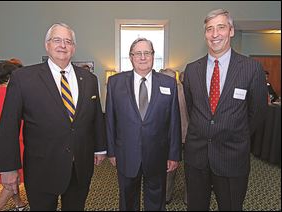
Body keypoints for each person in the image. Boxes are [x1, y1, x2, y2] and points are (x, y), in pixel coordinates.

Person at [0, 23, 106, 211]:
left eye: (68, 41)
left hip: (80, 166)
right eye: (57, 40)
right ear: (47, 45)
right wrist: (8, 167)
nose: (62, 45)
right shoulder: (23, 78)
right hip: (41, 168)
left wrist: (100, 148)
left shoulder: (88, 79)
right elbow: (8, 126)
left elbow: (95, 116)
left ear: (74, 48)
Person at [183, 9, 268, 211]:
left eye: (221, 27)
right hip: (197, 158)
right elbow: (191, 107)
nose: (215, 34)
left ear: (231, 31)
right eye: (209, 29)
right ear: (204, 34)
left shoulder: (251, 68)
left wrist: (238, 133)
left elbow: (258, 112)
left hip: (232, 156)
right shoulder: (192, 69)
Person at [106, 38, 182, 211]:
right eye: (138, 53)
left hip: (158, 155)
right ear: (131, 57)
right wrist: (111, 151)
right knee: (127, 200)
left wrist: (174, 154)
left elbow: (174, 122)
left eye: (147, 53)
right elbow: (110, 120)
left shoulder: (168, 83)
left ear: (153, 56)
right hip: (126, 154)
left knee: (156, 202)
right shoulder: (115, 83)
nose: (142, 57)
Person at [0, 62, 27, 211]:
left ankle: (19, 203)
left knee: (8, 176)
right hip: (18, 141)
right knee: (12, 179)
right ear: (11, 77)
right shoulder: (15, 94)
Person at [159, 69, 189, 205]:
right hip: (188, 135)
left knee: (169, 168)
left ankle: (166, 196)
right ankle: (189, 198)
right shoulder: (185, 89)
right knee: (191, 169)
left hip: (170, 137)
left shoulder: (162, 89)